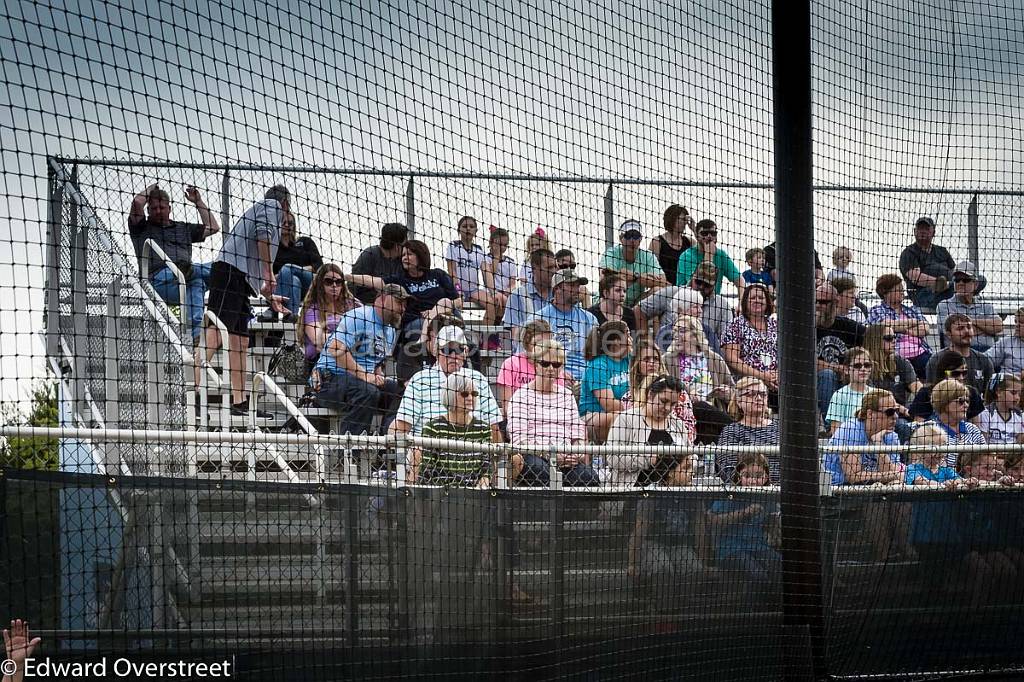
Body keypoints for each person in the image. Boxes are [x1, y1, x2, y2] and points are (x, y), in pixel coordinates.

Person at [205, 185, 290, 417]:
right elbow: (261, 235)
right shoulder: (272, 206)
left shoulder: (265, 213)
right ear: (286, 204)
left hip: (240, 280)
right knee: (218, 328)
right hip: (230, 273)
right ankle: (193, 381)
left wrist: (270, 297)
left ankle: (239, 401)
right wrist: (269, 271)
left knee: (240, 341)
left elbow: (255, 272)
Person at [345, 239, 462, 381]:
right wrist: (347, 277)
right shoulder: (401, 279)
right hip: (416, 322)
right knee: (418, 326)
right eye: (403, 255)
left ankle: (427, 339)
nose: (405, 258)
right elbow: (375, 281)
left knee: (445, 302)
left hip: (445, 317)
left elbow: (458, 301)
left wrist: (434, 311)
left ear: (420, 256)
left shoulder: (438, 275)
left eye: (410, 254)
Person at [310, 283, 407, 435]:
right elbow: (335, 348)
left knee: (401, 392)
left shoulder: (390, 331)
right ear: (381, 300)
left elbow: (374, 360)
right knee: (368, 391)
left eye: (404, 304)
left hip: (357, 382)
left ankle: (386, 443)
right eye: (399, 302)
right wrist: (365, 375)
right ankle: (350, 452)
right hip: (328, 381)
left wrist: (376, 373)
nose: (403, 308)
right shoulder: (359, 316)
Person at [128, 183, 220, 342]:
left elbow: (213, 227)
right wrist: (151, 189)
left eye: (162, 207)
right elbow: (137, 203)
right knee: (220, 269)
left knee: (196, 283)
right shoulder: (141, 227)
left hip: (183, 282)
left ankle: (195, 336)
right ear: (148, 210)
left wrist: (198, 202)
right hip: (156, 282)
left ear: (169, 208)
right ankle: (225, 272)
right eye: (154, 208)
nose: (158, 211)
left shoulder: (182, 228)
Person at [506, 339, 595, 487]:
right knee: (540, 470)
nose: (551, 368)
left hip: (566, 457)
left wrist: (576, 453)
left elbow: (578, 435)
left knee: (587, 477)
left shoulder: (567, 395)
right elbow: (519, 441)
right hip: (535, 456)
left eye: (556, 364)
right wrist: (552, 456)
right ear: (536, 364)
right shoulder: (521, 396)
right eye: (545, 363)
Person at [389, 325, 503, 439]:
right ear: (437, 353)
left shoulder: (478, 379)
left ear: (466, 352)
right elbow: (402, 428)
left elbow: (493, 427)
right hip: (430, 451)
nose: (453, 356)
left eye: (459, 350)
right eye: (447, 350)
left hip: (474, 451)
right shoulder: (419, 380)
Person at [707, 453, 781, 592]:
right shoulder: (729, 493)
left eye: (758, 476)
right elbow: (713, 521)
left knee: (780, 568)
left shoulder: (768, 495)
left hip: (759, 547)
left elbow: (771, 523)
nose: (753, 481)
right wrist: (745, 513)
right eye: (747, 476)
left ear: (766, 477)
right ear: (739, 475)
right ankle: (751, 612)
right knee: (758, 576)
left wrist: (774, 523)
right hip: (731, 549)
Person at [412, 371, 500, 487]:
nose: (470, 398)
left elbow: (486, 468)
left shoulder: (483, 429)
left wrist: (482, 485)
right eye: (464, 394)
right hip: (441, 493)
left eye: (474, 394)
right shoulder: (433, 427)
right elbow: (428, 470)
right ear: (450, 395)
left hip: (475, 494)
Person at [607, 376, 693, 487]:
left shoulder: (677, 424)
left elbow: (690, 455)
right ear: (650, 395)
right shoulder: (627, 419)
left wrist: (687, 463)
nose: (667, 408)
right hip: (632, 491)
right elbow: (612, 458)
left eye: (672, 404)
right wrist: (649, 459)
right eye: (663, 401)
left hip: (670, 492)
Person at [527, 269, 597, 384]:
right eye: (571, 285)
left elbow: (596, 354)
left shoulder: (589, 319)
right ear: (557, 288)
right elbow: (530, 355)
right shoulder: (538, 319)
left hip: (586, 381)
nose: (576, 290)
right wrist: (559, 374)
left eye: (577, 286)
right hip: (551, 378)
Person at [619, 341, 697, 445]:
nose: (652, 363)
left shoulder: (679, 393)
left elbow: (689, 427)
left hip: (674, 448)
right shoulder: (627, 398)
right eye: (646, 359)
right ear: (636, 364)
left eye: (655, 359)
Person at [825, 389, 904, 485]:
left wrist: (878, 443)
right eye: (890, 412)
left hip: (870, 488)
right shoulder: (850, 429)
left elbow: (890, 473)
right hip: (839, 490)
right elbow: (853, 476)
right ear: (870, 414)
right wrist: (890, 475)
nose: (895, 416)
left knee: (896, 484)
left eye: (896, 410)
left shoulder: (891, 435)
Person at [720, 284, 779, 404]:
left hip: (776, 380)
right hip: (747, 380)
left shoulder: (775, 324)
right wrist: (762, 376)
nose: (757, 300)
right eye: (752, 298)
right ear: (745, 302)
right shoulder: (735, 325)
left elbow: (785, 355)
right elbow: (731, 359)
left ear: (767, 302)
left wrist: (777, 375)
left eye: (761, 298)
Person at [298, 264, 361, 375]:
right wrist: (350, 337)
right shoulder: (312, 310)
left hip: (350, 359)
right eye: (328, 282)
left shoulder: (351, 304)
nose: (334, 286)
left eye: (338, 282)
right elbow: (319, 340)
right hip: (321, 363)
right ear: (319, 284)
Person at [866, 274, 932, 380]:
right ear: (885, 292)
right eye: (898, 290)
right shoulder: (877, 310)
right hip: (894, 356)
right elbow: (885, 325)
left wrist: (903, 329)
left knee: (934, 368)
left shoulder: (911, 309)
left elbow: (925, 328)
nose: (902, 292)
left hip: (920, 353)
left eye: (902, 289)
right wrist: (913, 322)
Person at [814, 282, 866, 417]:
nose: (818, 305)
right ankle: (829, 425)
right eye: (816, 301)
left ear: (835, 302)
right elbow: (808, 362)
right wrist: (838, 368)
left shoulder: (848, 326)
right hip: (814, 380)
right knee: (827, 375)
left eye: (823, 302)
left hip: (845, 377)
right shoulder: (807, 326)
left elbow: (873, 337)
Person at [261, 211, 322, 322]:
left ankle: (273, 310)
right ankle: (290, 316)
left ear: (294, 226)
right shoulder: (274, 249)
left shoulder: (305, 242)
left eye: (290, 223)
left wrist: (294, 270)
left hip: (310, 284)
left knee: (288, 268)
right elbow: (271, 274)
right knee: (294, 281)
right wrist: (286, 276)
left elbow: (318, 267)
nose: (286, 225)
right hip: (287, 287)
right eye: (283, 222)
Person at [495, 318, 566, 413]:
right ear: (527, 343)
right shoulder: (511, 364)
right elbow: (507, 406)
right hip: (519, 417)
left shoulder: (554, 366)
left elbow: (560, 403)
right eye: (538, 343)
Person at [716, 377, 780, 483]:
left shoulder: (780, 429)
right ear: (739, 401)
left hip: (779, 490)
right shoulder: (731, 431)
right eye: (751, 394)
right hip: (744, 493)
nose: (758, 398)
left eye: (762, 394)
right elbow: (727, 470)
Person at [579, 321, 633, 443]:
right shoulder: (598, 365)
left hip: (626, 412)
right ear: (615, 342)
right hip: (593, 416)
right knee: (622, 418)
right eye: (628, 335)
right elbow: (608, 405)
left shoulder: (629, 360)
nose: (631, 339)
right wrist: (636, 407)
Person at [663, 315, 734, 406]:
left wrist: (727, 393)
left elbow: (733, 390)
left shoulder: (715, 359)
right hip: (682, 411)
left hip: (712, 410)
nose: (676, 335)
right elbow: (663, 390)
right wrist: (688, 392)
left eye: (682, 331)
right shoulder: (667, 360)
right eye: (675, 332)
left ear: (695, 335)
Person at [936, 260, 1003, 352]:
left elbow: (998, 326)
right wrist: (985, 329)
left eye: (966, 280)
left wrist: (970, 322)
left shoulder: (986, 306)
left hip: (988, 353)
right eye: (957, 280)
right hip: (958, 354)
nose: (960, 283)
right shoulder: (944, 305)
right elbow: (950, 332)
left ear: (975, 285)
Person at [599, 219, 667, 308]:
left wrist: (634, 276)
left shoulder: (647, 256)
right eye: (628, 235)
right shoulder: (611, 254)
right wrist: (645, 277)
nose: (632, 240)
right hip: (609, 302)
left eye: (635, 236)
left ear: (640, 239)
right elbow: (606, 279)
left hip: (636, 303)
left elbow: (663, 282)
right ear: (621, 238)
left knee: (658, 290)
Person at [446, 215, 499, 324]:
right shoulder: (453, 246)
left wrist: (493, 292)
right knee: (450, 310)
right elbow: (452, 272)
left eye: (471, 226)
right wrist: (458, 290)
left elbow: (486, 272)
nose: (468, 229)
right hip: (457, 289)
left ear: (476, 230)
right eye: (465, 226)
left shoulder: (478, 250)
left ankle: (485, 338)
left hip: (473, 290)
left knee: (491, 303)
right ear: (459, 230)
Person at [907, 350, 985, 423]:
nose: (961, 378)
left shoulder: (972, 393)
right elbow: (919, 427)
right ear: (943, 373)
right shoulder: (926, 393)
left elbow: (976, 427)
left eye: (964, 373)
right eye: (955, 374)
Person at [924, 314, 994, 394]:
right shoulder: (936, 360)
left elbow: (989, 395)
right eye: (960, 328)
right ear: (949, 334)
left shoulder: (984, 360)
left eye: (969, 327)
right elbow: (931, 391)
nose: (967, 331)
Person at [674, 219, 744, 300]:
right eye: (704, 233)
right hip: (688, 299)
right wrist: (709, 254)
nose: (709, 236)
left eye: (713, 233)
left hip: (712, 302)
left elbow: (739, 280)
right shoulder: (687, 256)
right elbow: (699, 287)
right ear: (697, 235)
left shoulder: (721, 255)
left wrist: (741, 301)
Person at [898, 216, 955, 310]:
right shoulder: (909, 252)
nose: (922, 231)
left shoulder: (942, 251)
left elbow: (953, 270)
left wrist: (956, 282)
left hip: (949, 290)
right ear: (914, 231)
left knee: (980, 280)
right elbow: (915, 277)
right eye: (920, 228)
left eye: (926, 228)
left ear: (933, 232)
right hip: (923, 294)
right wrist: (938, 283)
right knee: (955, 289)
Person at [928, 378, 987, 468]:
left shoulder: (973, 429)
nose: (966, 405)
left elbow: (986, 460)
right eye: (961, 401)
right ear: (944, 402)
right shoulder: (929, 431)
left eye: (967, 401)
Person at [502, 248, 556, 344]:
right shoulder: (517, 296)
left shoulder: (560, 294)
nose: (554, 271)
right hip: (528, 354)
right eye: (549, 267)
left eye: (555, 267)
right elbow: (515, 336)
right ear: (535, 268)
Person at [863, 324, 921, 407]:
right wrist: (904, 411)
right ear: (875, 340)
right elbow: (873, 401)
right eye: (888, 338)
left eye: (894, 337)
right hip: (877, 412)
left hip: (900, 413)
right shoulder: (863, 365)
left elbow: (916, 386)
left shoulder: (899, 361)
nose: (894, 341)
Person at [350, 222, 408, 304]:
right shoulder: (369, 255)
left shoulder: (402, 260)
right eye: (404, 244)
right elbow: (355, 288)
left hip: (395, 305)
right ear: (397, 246)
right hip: (367, 305)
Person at [825, 347, 876, 435]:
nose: (863, 369)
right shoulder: (839, 395)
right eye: (857, 366)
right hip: (848, 445)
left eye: (867, 365)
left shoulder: (876, 393)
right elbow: (836, 433)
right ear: (846, 370)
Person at [480, 225, 517, 325]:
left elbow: (513, 283)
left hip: (504, 292)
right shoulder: (485, 259)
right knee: (498, 300)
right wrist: (496, 256)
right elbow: (490, 274)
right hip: (489, 291)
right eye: (500, 244)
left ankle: (495, 328)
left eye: (505, 245)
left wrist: (508, 290)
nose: (502, 247)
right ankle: (488, 333)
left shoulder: (511, 262)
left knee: (505, 300)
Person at [650, 204, 694, 285]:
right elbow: (651, 268)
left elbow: (704, 250)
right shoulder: (657, 242)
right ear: (672, 219)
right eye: (682, 219)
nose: (685, 223)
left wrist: (694, 229)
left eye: (686, 220)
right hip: (664, 288)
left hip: (685, 289)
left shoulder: (690, 241)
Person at [978, 373, 1024, 445]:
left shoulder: (1020, 416)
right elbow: (983, 445)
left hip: (1012, 455)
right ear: (999, 392)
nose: (1017, 397)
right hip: (990, 454)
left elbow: (1019, 445)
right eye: (1013, 393)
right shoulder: (986, 413)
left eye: (1019, 394)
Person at [985, 306, 1024, 374]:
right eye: (1015, 321)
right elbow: (986, 359)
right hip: (1006, 381)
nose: (1017, 325)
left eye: (1021, 322)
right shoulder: (1006, 342)